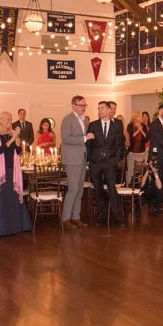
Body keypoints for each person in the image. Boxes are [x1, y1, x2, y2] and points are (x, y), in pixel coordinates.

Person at [0, 112, 32, 236]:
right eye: (7, 119)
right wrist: (13, 138)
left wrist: (18, 142)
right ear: (0, 121)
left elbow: (18, 151)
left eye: (10, 119)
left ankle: (14, 226)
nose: (9, 121)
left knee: (12, 196)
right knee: (0, 197)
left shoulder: (11, 135)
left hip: (12, 169)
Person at [87, 101, 125, 226]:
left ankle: (118, 218)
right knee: (98, 190)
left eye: (102, 108)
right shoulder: (93, 125)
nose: (100, 111)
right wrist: (90, 160)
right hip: (96, 163)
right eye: (98, 108)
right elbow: (89, 145)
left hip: (110, 163)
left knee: (112, 189)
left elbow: (119, 145)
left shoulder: (117, 125)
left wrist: (116, 159)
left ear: (109, 110)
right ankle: (101, 217)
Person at [60, 96, 92, 229]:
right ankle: (66, 218)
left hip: (82, 157)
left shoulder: (84, 120)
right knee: (73, 188)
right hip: (72, 159)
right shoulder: (67, 119)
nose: (83, 107)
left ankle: (76, 217)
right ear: (73, 105)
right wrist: (84, 138)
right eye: (81, 105)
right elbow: (66, 138)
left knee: (79, 189)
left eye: (85, 105)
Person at [125, 112, 148, 183]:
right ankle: (128, 185)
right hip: (132, 153)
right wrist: (138, 131)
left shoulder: (143, 125)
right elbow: (130, 138)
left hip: (142, 153)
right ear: (135, 117)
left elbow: (147, 138)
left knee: (143, 171)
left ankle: (141, 184)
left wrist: (142, 131)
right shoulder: (130, 125)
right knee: (131, 171)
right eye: (139, 116)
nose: (141, 118)